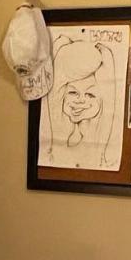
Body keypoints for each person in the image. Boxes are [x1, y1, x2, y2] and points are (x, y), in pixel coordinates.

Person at [43, 38, 119, 169]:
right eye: (73, 92)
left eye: (90, 94)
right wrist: (62, 43)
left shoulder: (100, 132)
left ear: (102, 99)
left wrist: (103, 52)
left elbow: (109, 91)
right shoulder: (57, 125)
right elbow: (55, 86)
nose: (80, 100)